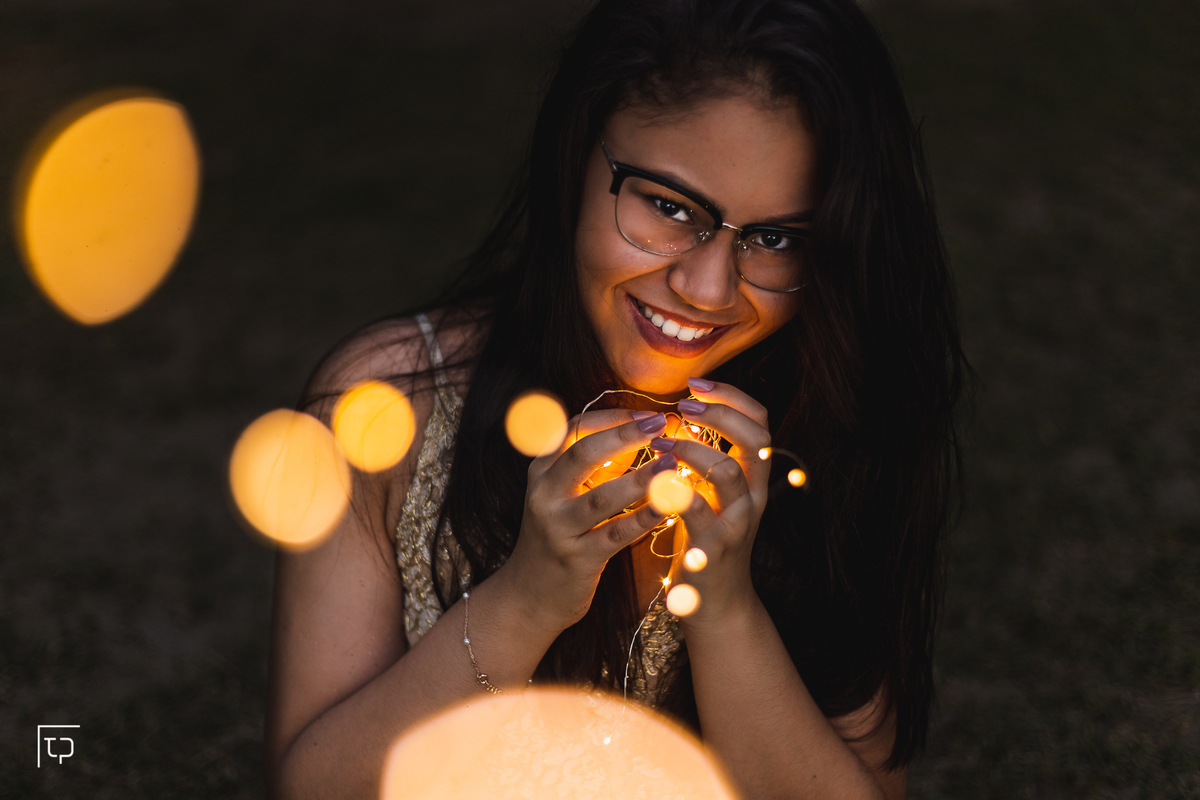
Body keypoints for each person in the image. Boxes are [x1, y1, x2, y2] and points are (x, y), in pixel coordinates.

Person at [264, 0, 969, 797]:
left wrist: (725, 607)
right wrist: (527, 599)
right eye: (669, 207)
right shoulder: (386, 411)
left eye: (777, 239)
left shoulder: (842, 423)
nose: (708, 290)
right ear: (575, 160)